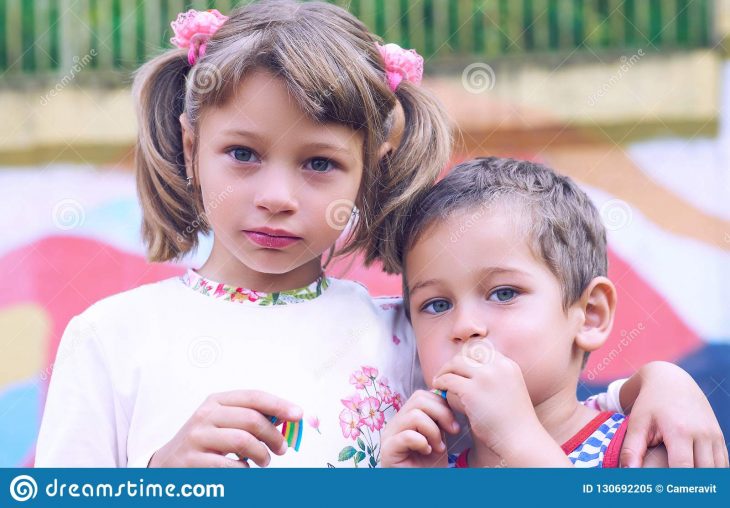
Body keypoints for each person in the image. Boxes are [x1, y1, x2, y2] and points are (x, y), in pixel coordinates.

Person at [35, 2, 726, 468]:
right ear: (190, 146)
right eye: (242, 153)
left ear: (370, 173)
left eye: (319, 164)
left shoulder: (410, 333)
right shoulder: (111, 337)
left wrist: (662, 383)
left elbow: (554, 405)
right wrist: (157, 480)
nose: (276, 197)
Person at [381, 157, 728, 468]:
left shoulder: (642, 450)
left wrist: (517, 441)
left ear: (590, 314)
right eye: (437, 305)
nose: (464, 326)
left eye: (504, 293)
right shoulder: (432, 467)